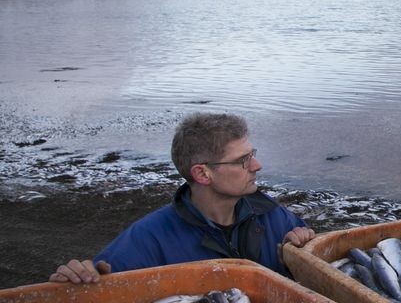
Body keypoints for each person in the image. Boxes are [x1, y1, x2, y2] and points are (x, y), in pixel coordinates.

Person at [50, 112, 315, 283]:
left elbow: (316, 274)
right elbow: (98, 286)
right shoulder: (150, 239)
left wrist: (301, 253)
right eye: (243, 160)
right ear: (202, 173)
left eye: (252, 153)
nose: (257, 165)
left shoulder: (272, 215)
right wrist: (81, 278)